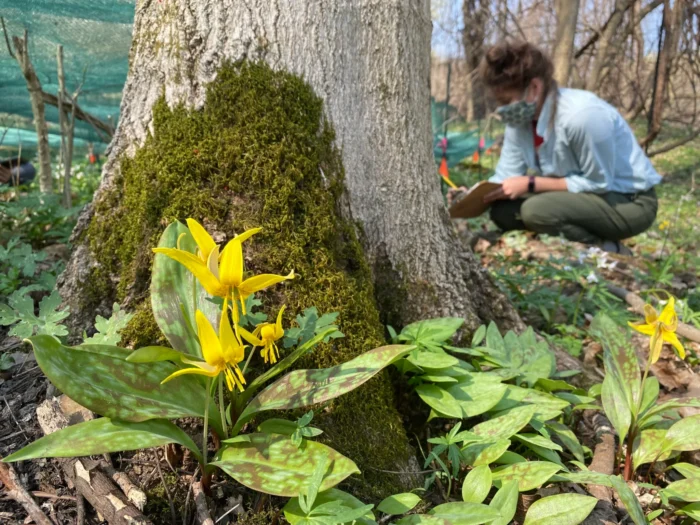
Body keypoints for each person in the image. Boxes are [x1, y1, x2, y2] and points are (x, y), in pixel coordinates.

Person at [457, 41, 661, 254]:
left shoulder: (583, 116)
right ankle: (553, 240)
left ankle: (606, 249)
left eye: (507, 99)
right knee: (503, 212)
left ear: (534, 88)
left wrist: (530, 183)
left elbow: (598, 182)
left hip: (628, 201)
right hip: (582, 196)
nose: (502, 108)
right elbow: (506, 175)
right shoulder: (519, 123)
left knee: (536, 211)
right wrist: (473, 196)